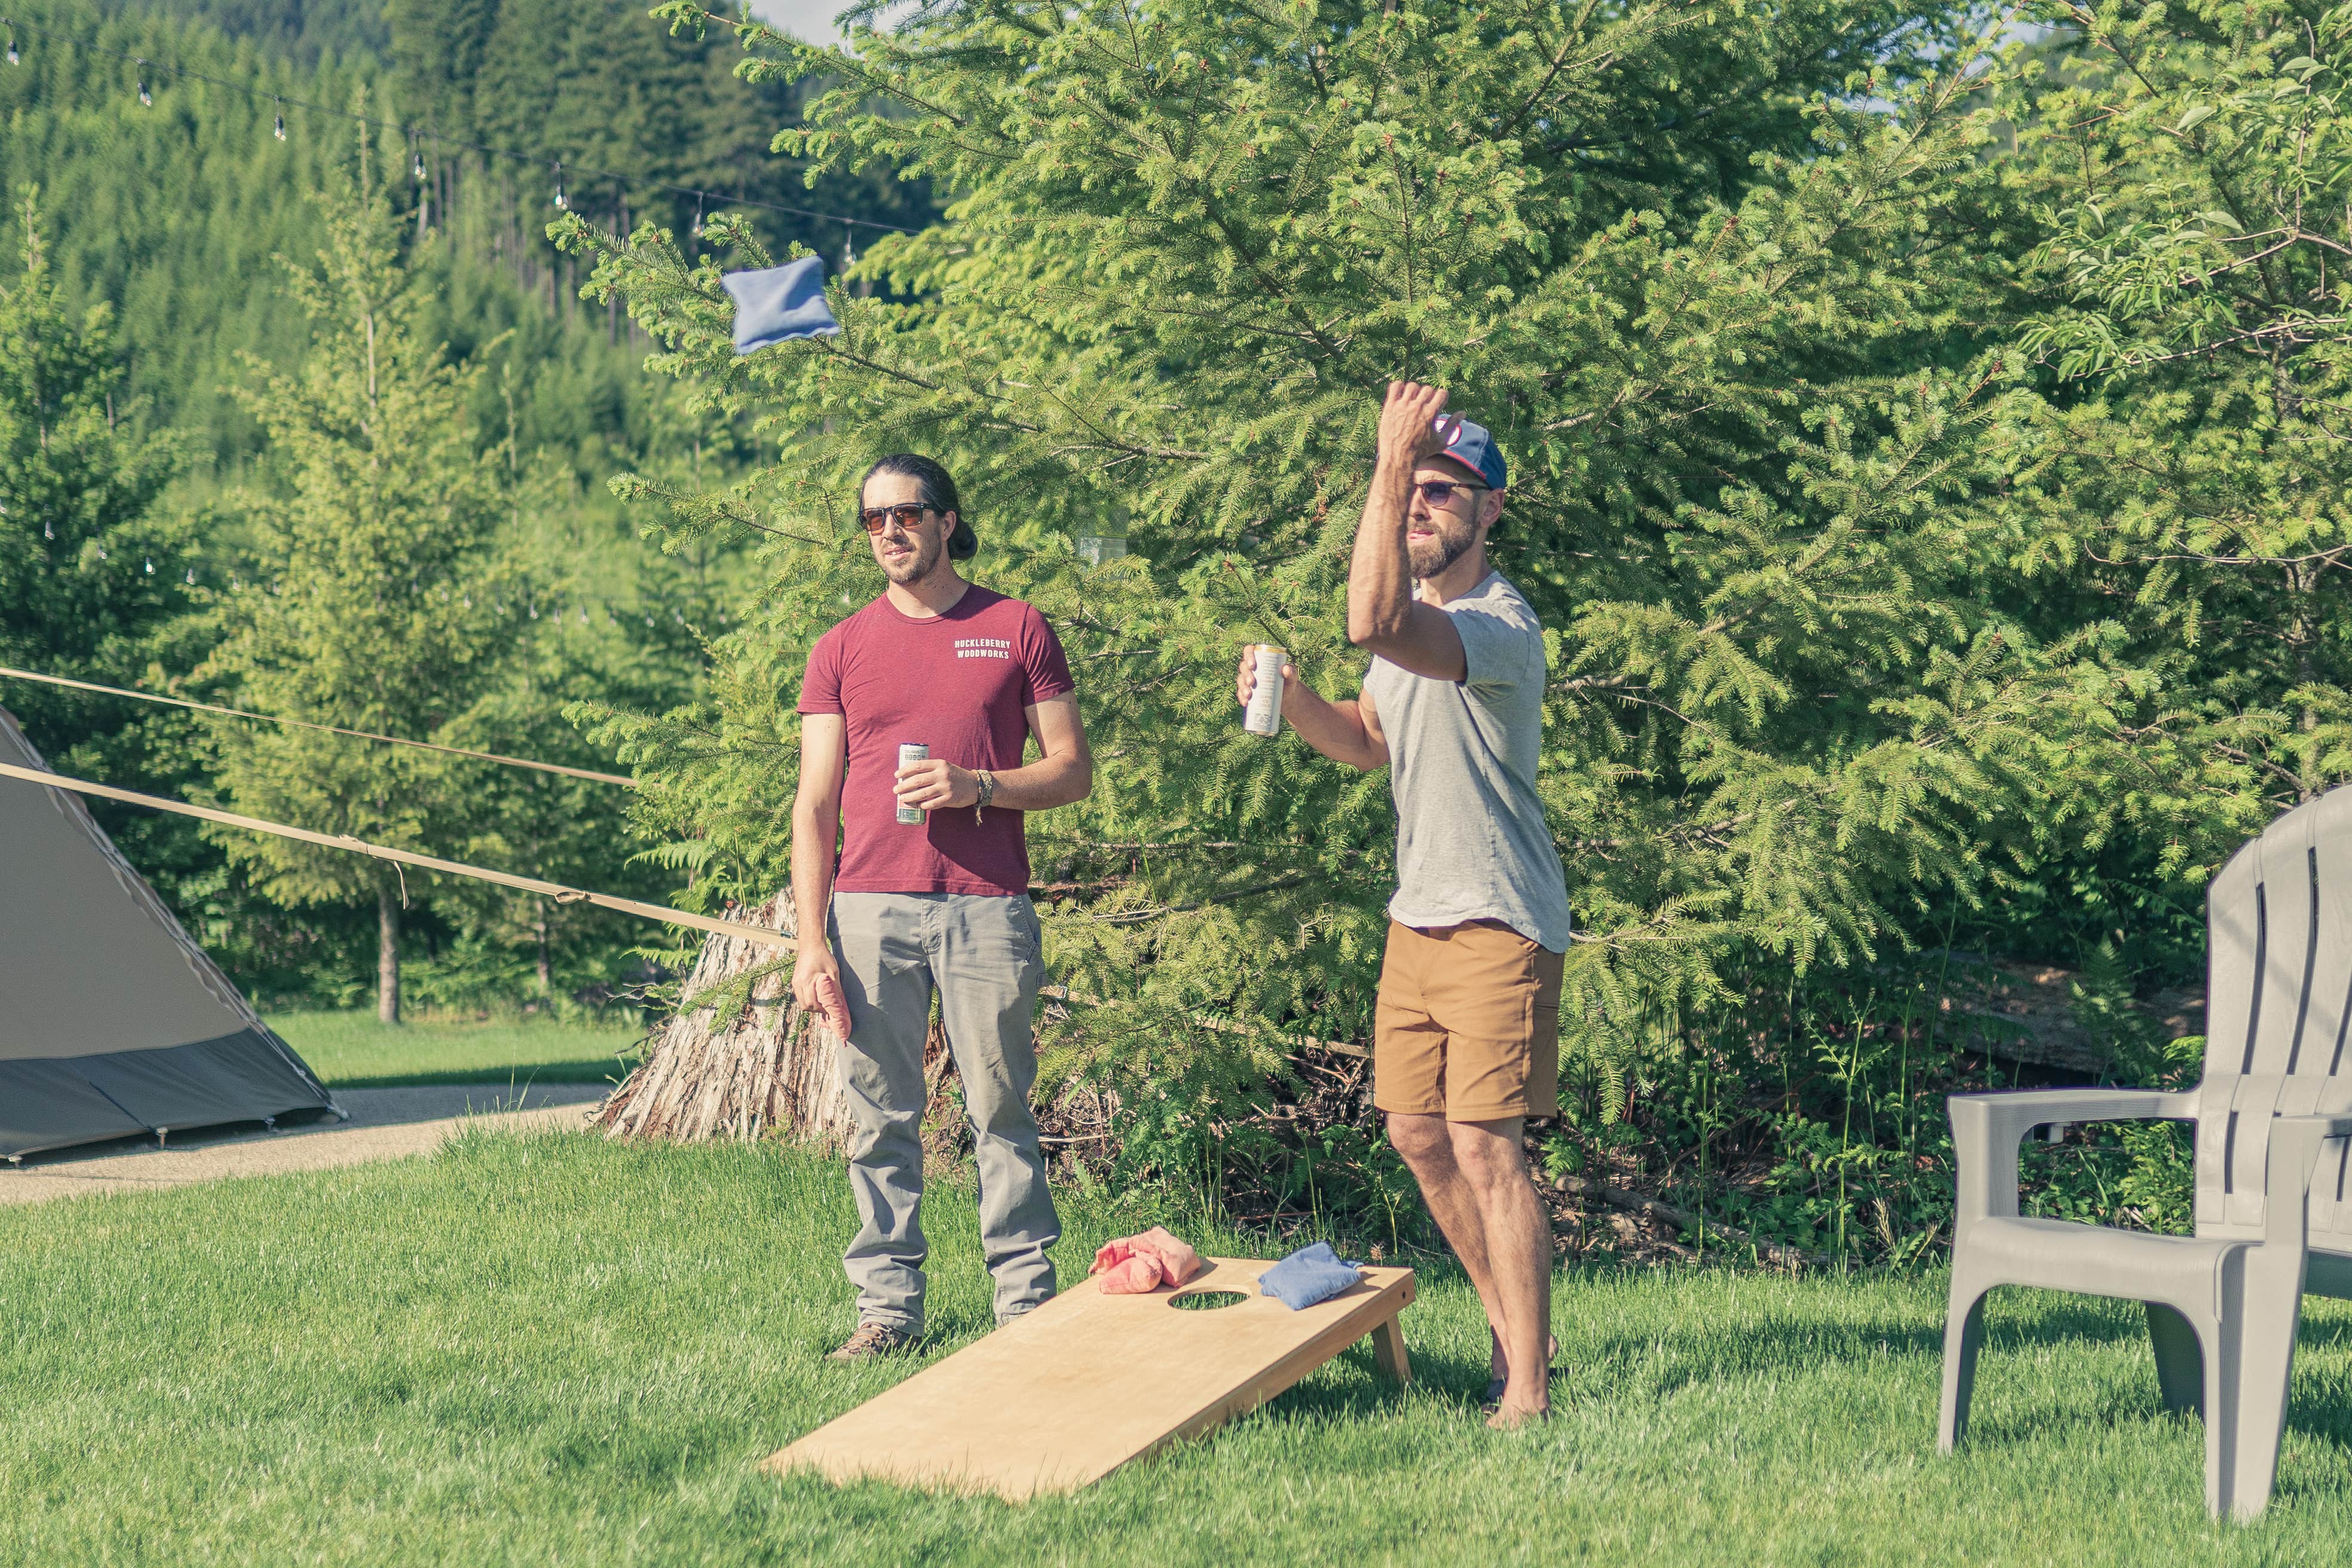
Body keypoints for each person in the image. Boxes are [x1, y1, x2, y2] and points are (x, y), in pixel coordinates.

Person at [1236, 382, 1572, 1428]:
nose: (1421, 503)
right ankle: (1515, 1329)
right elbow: (1369, 737)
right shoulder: (1414, 641)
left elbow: (1374, 619)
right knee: (1417, 1131)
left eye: (1444, 490)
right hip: (1417, 915)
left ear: (1492, 510)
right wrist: (1295, 704)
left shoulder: (1498, 629)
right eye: (1413, 488)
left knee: (1485, 1144)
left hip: (1498, 916)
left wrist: (1384, 465)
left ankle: (1527, 1388)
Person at [792, 453, 1095, 1360]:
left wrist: (979, 787)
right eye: (874, 520)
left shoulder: (1016, 628)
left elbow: (1073, 769)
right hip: (868, 913)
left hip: (987, 909)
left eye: (908, 514)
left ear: (949, 521)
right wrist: (812, 942)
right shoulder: (841, 648)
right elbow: (813, 805)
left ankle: (1026, 1313)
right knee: (880, 1117)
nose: (889, 532)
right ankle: (887, 1313)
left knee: (1002, 1113)